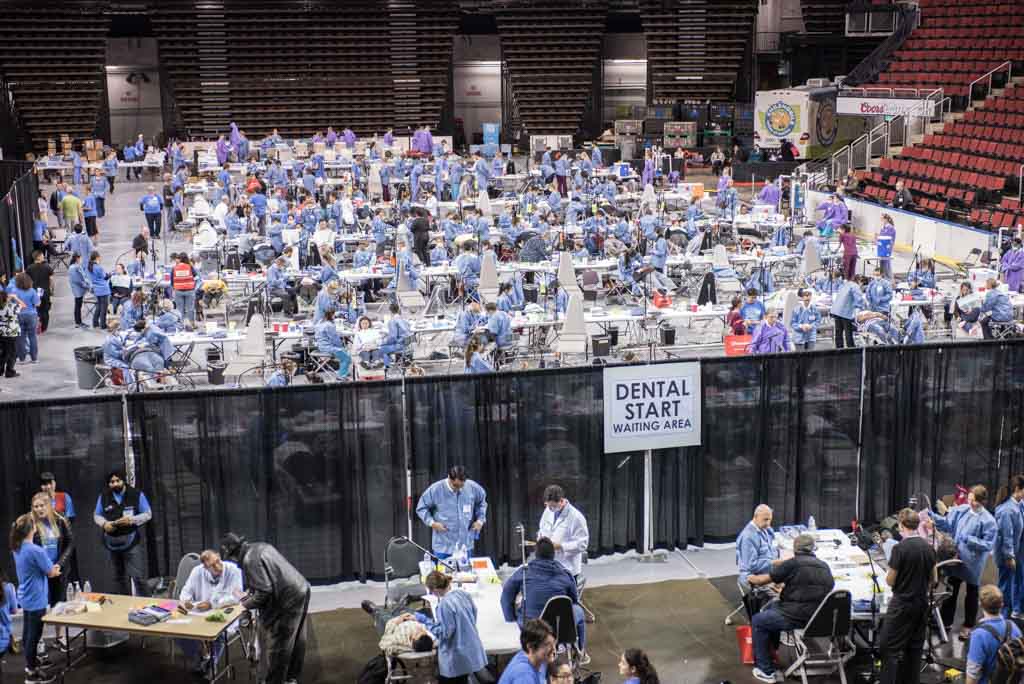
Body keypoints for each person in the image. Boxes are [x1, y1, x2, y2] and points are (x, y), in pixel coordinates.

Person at [221, 533, 310, 684]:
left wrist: (243, 606)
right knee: (298, 639)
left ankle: (275, 681)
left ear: (234, 554)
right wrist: (250, 593)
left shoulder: (249, 560)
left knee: (281, 643)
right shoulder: (259, 547)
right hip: (301, 587)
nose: (233, 562)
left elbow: (264, 592)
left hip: (288, 599)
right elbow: (267, 580)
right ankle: (292, 678)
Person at [747, 533, 835, 683]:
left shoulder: (792, 563)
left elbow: (763, 580)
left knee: (758, 621)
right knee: (772, 607)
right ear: (813, 549)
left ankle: (765, 670)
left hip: (794, 616)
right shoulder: (824, 566)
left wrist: (750, 577)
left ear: (795, 549)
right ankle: (772, 654)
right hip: (818, 618)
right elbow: (824, 588)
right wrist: (790, 589)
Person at [877, 508, 938, 684]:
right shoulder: (929, 548)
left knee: (889, 647)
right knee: (915, 648)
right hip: (921, 604)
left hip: (902, 604)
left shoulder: (899, 549)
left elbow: (890, 580)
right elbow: (934, 579)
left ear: (901, 525)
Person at [500, 537, 586, 652]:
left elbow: (506, 595)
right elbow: (574, 600)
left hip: (531, 627)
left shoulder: (524, 572)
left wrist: (511, 618)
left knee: (521, 608)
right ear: (553, 554)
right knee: (578, 609)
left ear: (536, 554)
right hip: (559, 627)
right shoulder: (565, 574)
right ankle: (581, 650)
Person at [934, 484, 998, 638]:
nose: (970, 503)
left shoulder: (988, 521)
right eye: (969, 499)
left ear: (982, 502)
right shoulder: (962, 510)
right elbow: (948, 523)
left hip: (973, 564)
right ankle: (945, 621)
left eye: (974, 501)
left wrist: (969, 539)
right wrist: (931, 516)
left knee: (971, 593)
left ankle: (968, 625)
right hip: (956, 558)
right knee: (951, 591)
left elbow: (988, 545)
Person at [177, 550, 243, 675]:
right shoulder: (197, 571)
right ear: (205, 568)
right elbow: (186, 591)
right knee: (178, 632)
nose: (217, 567)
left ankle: (210, 666)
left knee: (216, 635)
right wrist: (186, 601)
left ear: (219, 557)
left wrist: (212, 604)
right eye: (212, 565)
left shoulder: (233, 571)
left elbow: (236, 597)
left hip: (224, 614)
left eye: (218, 561)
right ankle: (202, 656)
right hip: (199, 615)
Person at [12, 513, 59, 684]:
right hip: (36, 598)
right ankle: (31, 673)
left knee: (27, 633)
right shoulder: (36, 550)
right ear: (32, 529)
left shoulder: (16, 547)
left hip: (25, 596)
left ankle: (29, 664)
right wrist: (56, 568)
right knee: (34, 635)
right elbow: (51, 572)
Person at [418, 571, 487, 684]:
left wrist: (427, 622)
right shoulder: (462, 594)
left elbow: (445, 634)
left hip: (456, 658)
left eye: (431, 591)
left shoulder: (445, 605)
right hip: (471, 649)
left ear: (435, 589)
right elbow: (474, 614)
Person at [93, 469, 152, 596]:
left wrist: (131, 520)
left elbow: (148, 514)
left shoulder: (136, 494)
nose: (114, 484)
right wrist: (104, 524)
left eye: (117, 481)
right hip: (112, 542)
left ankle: (147, 605)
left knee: (138, 578)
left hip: (131, 542)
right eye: (111, 482)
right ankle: (124, 607)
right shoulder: (103, 496)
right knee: (119, 578)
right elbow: (97, 515)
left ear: (123, 480)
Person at [415, 465, 487, 560]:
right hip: (443, 545)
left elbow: (482, 502)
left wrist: (480, 521)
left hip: (465, 545)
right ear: (449, 477)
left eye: (461, 486)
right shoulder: (436, 489)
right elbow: (421, 508)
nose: (458, 489)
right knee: (443, 574)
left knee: (465, 574)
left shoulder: (472, 487)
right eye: (456, 486)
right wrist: (432, 523)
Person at [965, 585, 1022, 684]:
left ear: (980, 604)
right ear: (1002, 604)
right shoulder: (1013, 626)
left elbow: (973, 673)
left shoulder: (979, 635)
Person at [537, 484, 590, 581]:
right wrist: (540, 538)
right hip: (550, 563)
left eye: (553, 506)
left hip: (567, 567)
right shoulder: (548, 510)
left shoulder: (576, 517)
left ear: (561, 501)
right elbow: (542, 528)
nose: (550, 509)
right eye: (548, 505)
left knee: (564, 594)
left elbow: (582, 544)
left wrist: (561, 546)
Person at [30, 492, 74, 605]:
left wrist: (60, 563)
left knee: (59, 605)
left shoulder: (61, 519)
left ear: (49, 505)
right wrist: (44, 567)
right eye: (36, 506)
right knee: (43, 606)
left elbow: (70, 543)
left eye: (42, 505)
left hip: (59, 569)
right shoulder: (30, 522)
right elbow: (28, 548)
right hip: (41, 571)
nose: (39, 509)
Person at [994, 476, 1024, 619]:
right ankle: (1001, 618)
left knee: (1008, 585)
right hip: (1006, 556)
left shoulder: (1015, 506)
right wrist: (1010, 556)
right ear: (1018, 489)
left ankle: (1004, 616)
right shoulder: (1008, 510)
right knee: (1005, 587)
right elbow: (1007, 536)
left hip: (1012, 552)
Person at [497, 618, 556, 684]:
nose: (553, 648)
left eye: (553, 643)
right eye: (546, 645)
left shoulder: (530, 657)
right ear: (530, 647)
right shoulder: (524, 674)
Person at [736, 504, 777, 592]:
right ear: (755, 517)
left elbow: (772, 548)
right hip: (753, 576)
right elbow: (751, 566)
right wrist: (774, 562)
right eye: (765, 520)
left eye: (770, 520)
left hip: (768, 572)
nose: (768, 523)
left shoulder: (765, 529)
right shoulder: (748, 537)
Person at [9, 272, 40, 364]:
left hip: (19, 315)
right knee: (32, 336)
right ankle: (34, 358)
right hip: (31, 315)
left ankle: (22, 359)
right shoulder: (32, 291)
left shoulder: (14, 291)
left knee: (20, 337)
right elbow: (37, 304)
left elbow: (11, 304)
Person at [830, 275, 868, 349]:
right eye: (862, 284)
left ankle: (839, 350)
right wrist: (863, 307)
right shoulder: (855, 286)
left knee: (838, 332)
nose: (862, 286)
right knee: (848, 333)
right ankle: (851, 351)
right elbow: (858, 300)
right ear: (860, 282)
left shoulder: (846, 284)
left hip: (837, 311)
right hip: (845, 313)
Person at [314, 309, 352, 381]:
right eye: (335, 315)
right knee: (346, 358)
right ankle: (341, 376)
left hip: (321, 347)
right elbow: (335, 339)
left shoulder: (320, 322)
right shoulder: (329, 325)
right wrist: (342, 346)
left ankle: (344, 371)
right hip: (329, 348)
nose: (336, 316)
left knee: (345, 353)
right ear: (332, 315)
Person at [25, 251, 53, 333]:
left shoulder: (29, 268)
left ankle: (37, 326)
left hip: (34, 292)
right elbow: (51, 279)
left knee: (36, 309)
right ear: (39, 257)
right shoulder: (47, 267)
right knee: (45, 310)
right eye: (42, 256)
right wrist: (51, 289)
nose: (43, 257)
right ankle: (44, 327)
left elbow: (27, 280)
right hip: (45, 291)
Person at [171, 254, 198, 325]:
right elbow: (196, 277)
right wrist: (193, 285)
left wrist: (175, 288)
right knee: (190, 309)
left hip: (178, 291)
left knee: (180, 310)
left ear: (180, 259)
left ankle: (181, 325)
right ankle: (192, 324)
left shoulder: (174, 268)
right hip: (189, 290)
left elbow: (172, 281)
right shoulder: (190, 267)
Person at [87, 251, 111, 329]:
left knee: (99, 307)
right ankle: (103, 325)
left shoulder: (89, 267)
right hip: (103, 289)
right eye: (99, 257)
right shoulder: (98, 267)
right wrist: (110, 275)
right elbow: (104, 277)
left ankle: (95, 323)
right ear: (97, 258)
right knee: (104, 308)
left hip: (97, 289)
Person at [0, 289, 19, 378]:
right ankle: (10, 371)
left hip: (1, 331)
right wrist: (15, 298)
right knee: (12, 352)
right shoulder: (11, 306)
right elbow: (23, 306)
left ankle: (1, 370)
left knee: (4, 352)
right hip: (11, 332)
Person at [878, 214, 896, 279]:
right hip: (882, 248)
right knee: (881, 262)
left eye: (882, 219)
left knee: (886, 263)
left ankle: (889, 278)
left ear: (886, 219)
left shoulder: (890, 228)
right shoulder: (883, 227)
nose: (881, 220)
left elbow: (888, 238)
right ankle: (882, 276)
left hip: (887, 248)